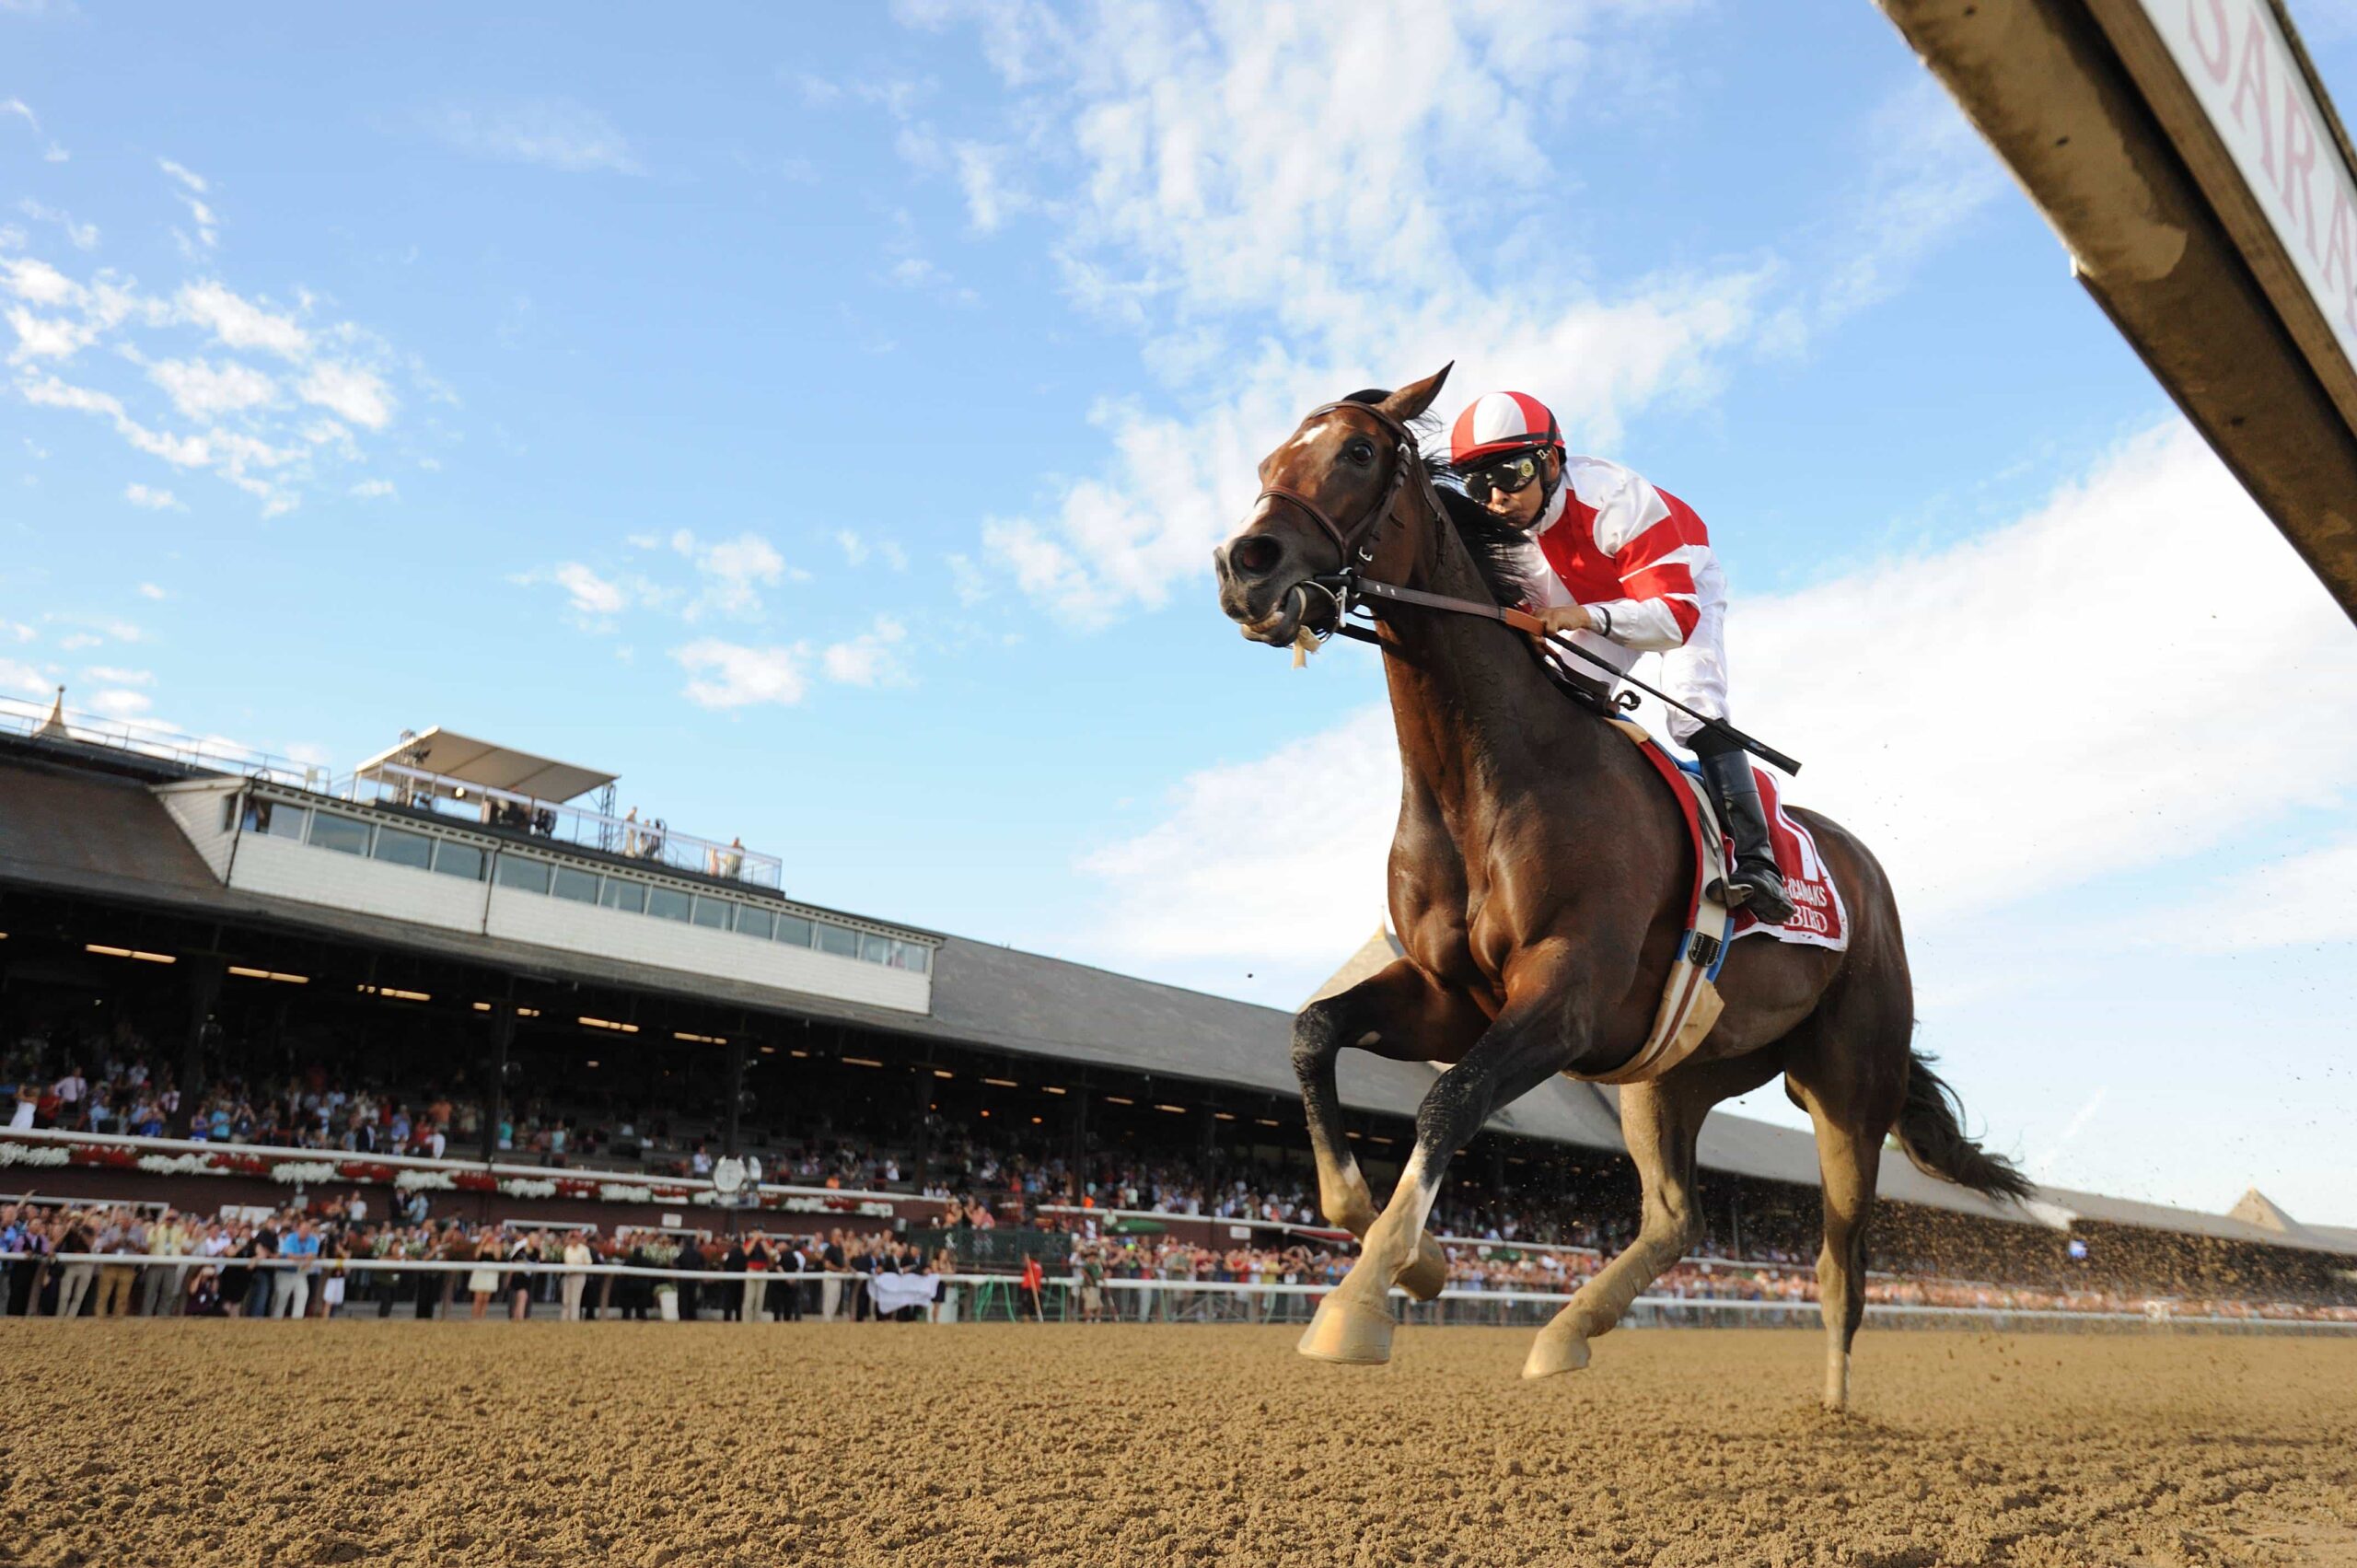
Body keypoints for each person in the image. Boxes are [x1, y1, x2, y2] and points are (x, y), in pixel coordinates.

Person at [1445, 390, 1794, 923]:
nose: (1495, 495)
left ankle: (1758, 862)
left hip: (1677, 586)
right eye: (1478, 482)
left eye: (1511, 473)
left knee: (1690, 705)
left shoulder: (1616, 497)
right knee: (1558, 697)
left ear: (1551, 461)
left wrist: (1585, 618)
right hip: (1586, 591)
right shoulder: (1506, 533)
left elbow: (1674, 620)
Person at [560, 1230, 594, 1321]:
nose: (573, 1240)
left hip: (579, 1276)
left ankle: (574, 1320)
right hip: (568, 1275)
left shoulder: (584, 1249)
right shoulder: (568, 1249)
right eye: (572, 1238)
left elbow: (589, 1263)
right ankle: (564, 1320)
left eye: (575, 1238)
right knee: (566, 1300)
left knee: (575, 1300)